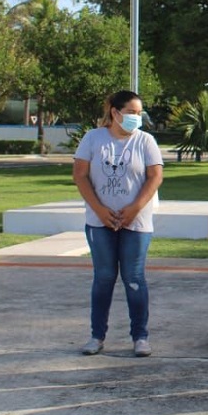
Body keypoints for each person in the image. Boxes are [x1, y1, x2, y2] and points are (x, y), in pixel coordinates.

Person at [72, 90, 164, 357]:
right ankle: (96, 336)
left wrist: (134, 209)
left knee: (134, 278)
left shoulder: (146, 141)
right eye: (131, 112)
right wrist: (99, 210)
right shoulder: (93, 138)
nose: (137, 117)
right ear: (115, 112)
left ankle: (140, 337)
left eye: (139, 113)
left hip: (136, 223)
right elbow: (80, 175)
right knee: (104, 277)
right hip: (100, 222)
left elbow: (155, 177)